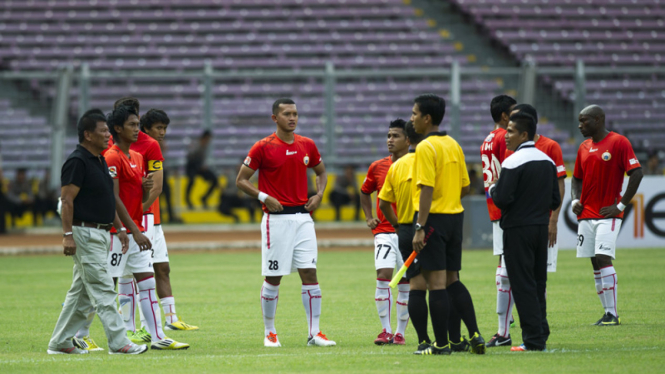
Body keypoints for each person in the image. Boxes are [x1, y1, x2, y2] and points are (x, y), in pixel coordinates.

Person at [236, 98, 336, 348]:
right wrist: (264, 196)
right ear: (275, 118)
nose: (293, 118)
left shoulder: (307, 144)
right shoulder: (262, 146)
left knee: (310, 273)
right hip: (276, 220)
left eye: (295, 114)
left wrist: (319, 195)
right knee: (274, 277)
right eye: (287, 114)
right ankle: (270, 332)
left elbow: (321, 171)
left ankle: (315, 333)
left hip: (303, 218)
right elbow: (241, 180)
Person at [47, 108, 147, 355]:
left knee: (80, 295)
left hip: (101, 233)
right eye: (102, 131)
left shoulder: (99, 160)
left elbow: (107, 199)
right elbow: (67, 200)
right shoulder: (77, 161)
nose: (107, 135)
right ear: (87, 135)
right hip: (85, 233)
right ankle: (119, 342)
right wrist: (67, 235)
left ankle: (60, 342)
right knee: (103, 289)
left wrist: (120, 229)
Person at [104, 105, 189, 350]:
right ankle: (86, 334)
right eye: (132, 125)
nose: (137, 130)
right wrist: (131, 229)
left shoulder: (138, 157)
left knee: (147, 281)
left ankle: (158, 336)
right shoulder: (111, 156)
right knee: (105, 285)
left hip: (135, 230)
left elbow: (133, 196)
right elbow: (114, 199)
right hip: (118, 233)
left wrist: (143, 187)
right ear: (118, 129)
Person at [409, 94, 485, 355]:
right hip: (455, 217)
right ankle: (474, 333)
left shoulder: (424, 147)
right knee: (453, 279)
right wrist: (449, 199)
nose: (412, 118)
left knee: (437, 283)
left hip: (434, 220)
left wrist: (420, 227)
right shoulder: (454, 144)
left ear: (427, 118)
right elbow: (465, 185)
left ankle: (441, 345)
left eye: (415, 113)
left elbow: (427, 189)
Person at [489, 111, 561, 352]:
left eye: (510, 131)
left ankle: (532, 340)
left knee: (522, 284)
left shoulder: (512, 161)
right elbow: (554, 199)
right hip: (540, 229)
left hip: (517, 230)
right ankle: (541, 332)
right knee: (538, 282)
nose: (505, 135)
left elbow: (502, 198)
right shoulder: (547, 160)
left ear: (524, 134)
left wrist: (494, 189)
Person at [572, 105, 643, 326]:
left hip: (608, 215)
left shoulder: (619, 142)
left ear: (598, 119)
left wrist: (621, 205)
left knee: (603, 257)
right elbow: (576, 178)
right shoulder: (583, 147)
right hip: (586, 215)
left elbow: (636, 173)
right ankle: (606, 312)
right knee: (594, 262)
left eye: (584, 121)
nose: (580, 125)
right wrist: (575, 200)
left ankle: (613, 314)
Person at [138, 108, 198, 331]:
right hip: (141, 219)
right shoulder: (134, 148)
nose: (162, 133)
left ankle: (171, 319)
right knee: (139, 274)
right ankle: (141, 326)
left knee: (162, 268)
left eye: (165, 128)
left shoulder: (154, 148)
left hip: (154, 219)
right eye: (158, 128)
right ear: (145, 128)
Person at [360, 119, 410, 345]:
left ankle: (400, 333)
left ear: (408, 140)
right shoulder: (377, 166)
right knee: (383, 277)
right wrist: (369, 217)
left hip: (408, 231)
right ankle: (385, 330)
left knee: (406, 283)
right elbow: (364, 191)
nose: (390, 140)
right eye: (388, 136)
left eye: (395, 136)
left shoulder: (417, 164)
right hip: (384, 232)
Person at [479, 95, 517, 347]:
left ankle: (508, 317)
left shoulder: (487, 138)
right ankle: (505, 326)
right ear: (505, 116)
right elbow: (510, 170)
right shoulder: (506, 137)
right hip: (507, 207)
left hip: (493, 206)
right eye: (514, 113)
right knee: (509, 267)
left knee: (503, 261)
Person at [185, 130, 218, 209]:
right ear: (205, 138)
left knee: (214, 180)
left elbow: (203, 159)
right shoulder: (196, 144)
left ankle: (204, 198)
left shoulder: (205, 147)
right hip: (192, 166)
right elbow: (189, 156)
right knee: (191, 181)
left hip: (200, 167)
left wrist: (203, 165)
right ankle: (188, 200)